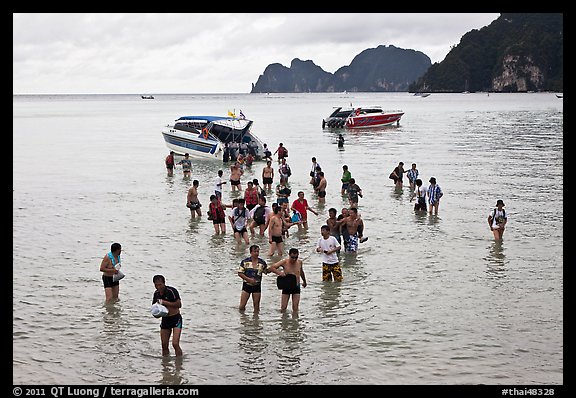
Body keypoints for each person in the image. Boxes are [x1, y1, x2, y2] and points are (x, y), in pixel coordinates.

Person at [267, 248, 307, 312]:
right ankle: (283, 321)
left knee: (295, 308)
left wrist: (304, 281)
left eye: (296, 257)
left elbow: (301, 272)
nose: (294, 259)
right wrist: (280, 273)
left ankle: (295, 321)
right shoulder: (284, 262)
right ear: (289, 255)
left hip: (296, 286)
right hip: (287, 286)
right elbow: (272, 267)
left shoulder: (299, 262)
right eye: (292, 257)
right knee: (283, 307)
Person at [152, 275, 183, 357]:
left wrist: (165, 302)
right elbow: (154, 309)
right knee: (164, 346)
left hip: (176, 319)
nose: (159, 287)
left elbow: (179, 304)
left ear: (164, 283)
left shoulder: (171, 291)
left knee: (175, 344)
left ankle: (179, 363)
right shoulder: (156, 294)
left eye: (160, 285)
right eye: (156, 285)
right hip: (165, 320)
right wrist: (156, 314)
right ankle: (165, 366)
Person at [238, 245, 269, 313]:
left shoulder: (262, 263)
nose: (256, 253)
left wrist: (275, 269)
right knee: (242, 306)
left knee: (256, 306)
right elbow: (240, 273)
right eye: (255, 251)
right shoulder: (245, 262)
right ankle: (242, 318)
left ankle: (256, 321)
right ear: (251, 252)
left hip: (257, 286)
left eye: (257, 251)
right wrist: (248, 279)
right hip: (246, 285)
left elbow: (266, 271)